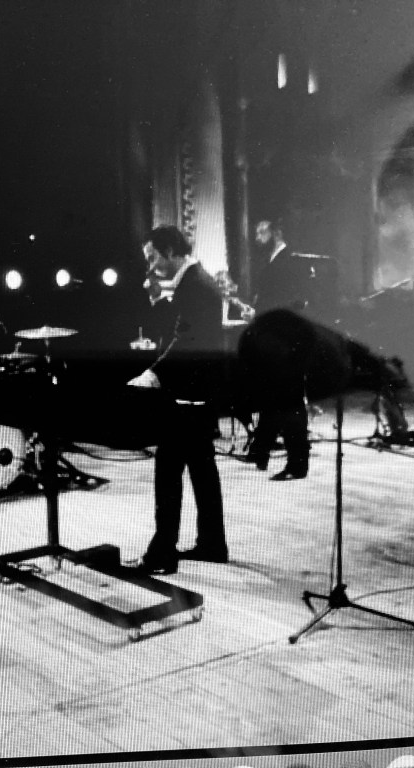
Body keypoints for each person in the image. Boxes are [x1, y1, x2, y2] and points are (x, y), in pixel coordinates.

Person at [125, 226, 229, 574]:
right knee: (202, 469)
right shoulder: (197, 282)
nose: (152, 266)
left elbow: (185, 341)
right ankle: (212, 544)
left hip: (187, 396)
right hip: (199, 395)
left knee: (168, 471)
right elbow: (181, 331)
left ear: (170, 251)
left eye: (153, 257)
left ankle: (161, 555)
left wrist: (153, 374)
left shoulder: (194, 286)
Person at [247, 219, 310, 480]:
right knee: (274, 396)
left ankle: (297, 464)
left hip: (286, 342)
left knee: (289, 402)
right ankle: (261, 449)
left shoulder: (289, 261)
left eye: (262, 232)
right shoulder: (272, 260)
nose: (258, 237)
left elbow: (290, 302)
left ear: (276, 232)